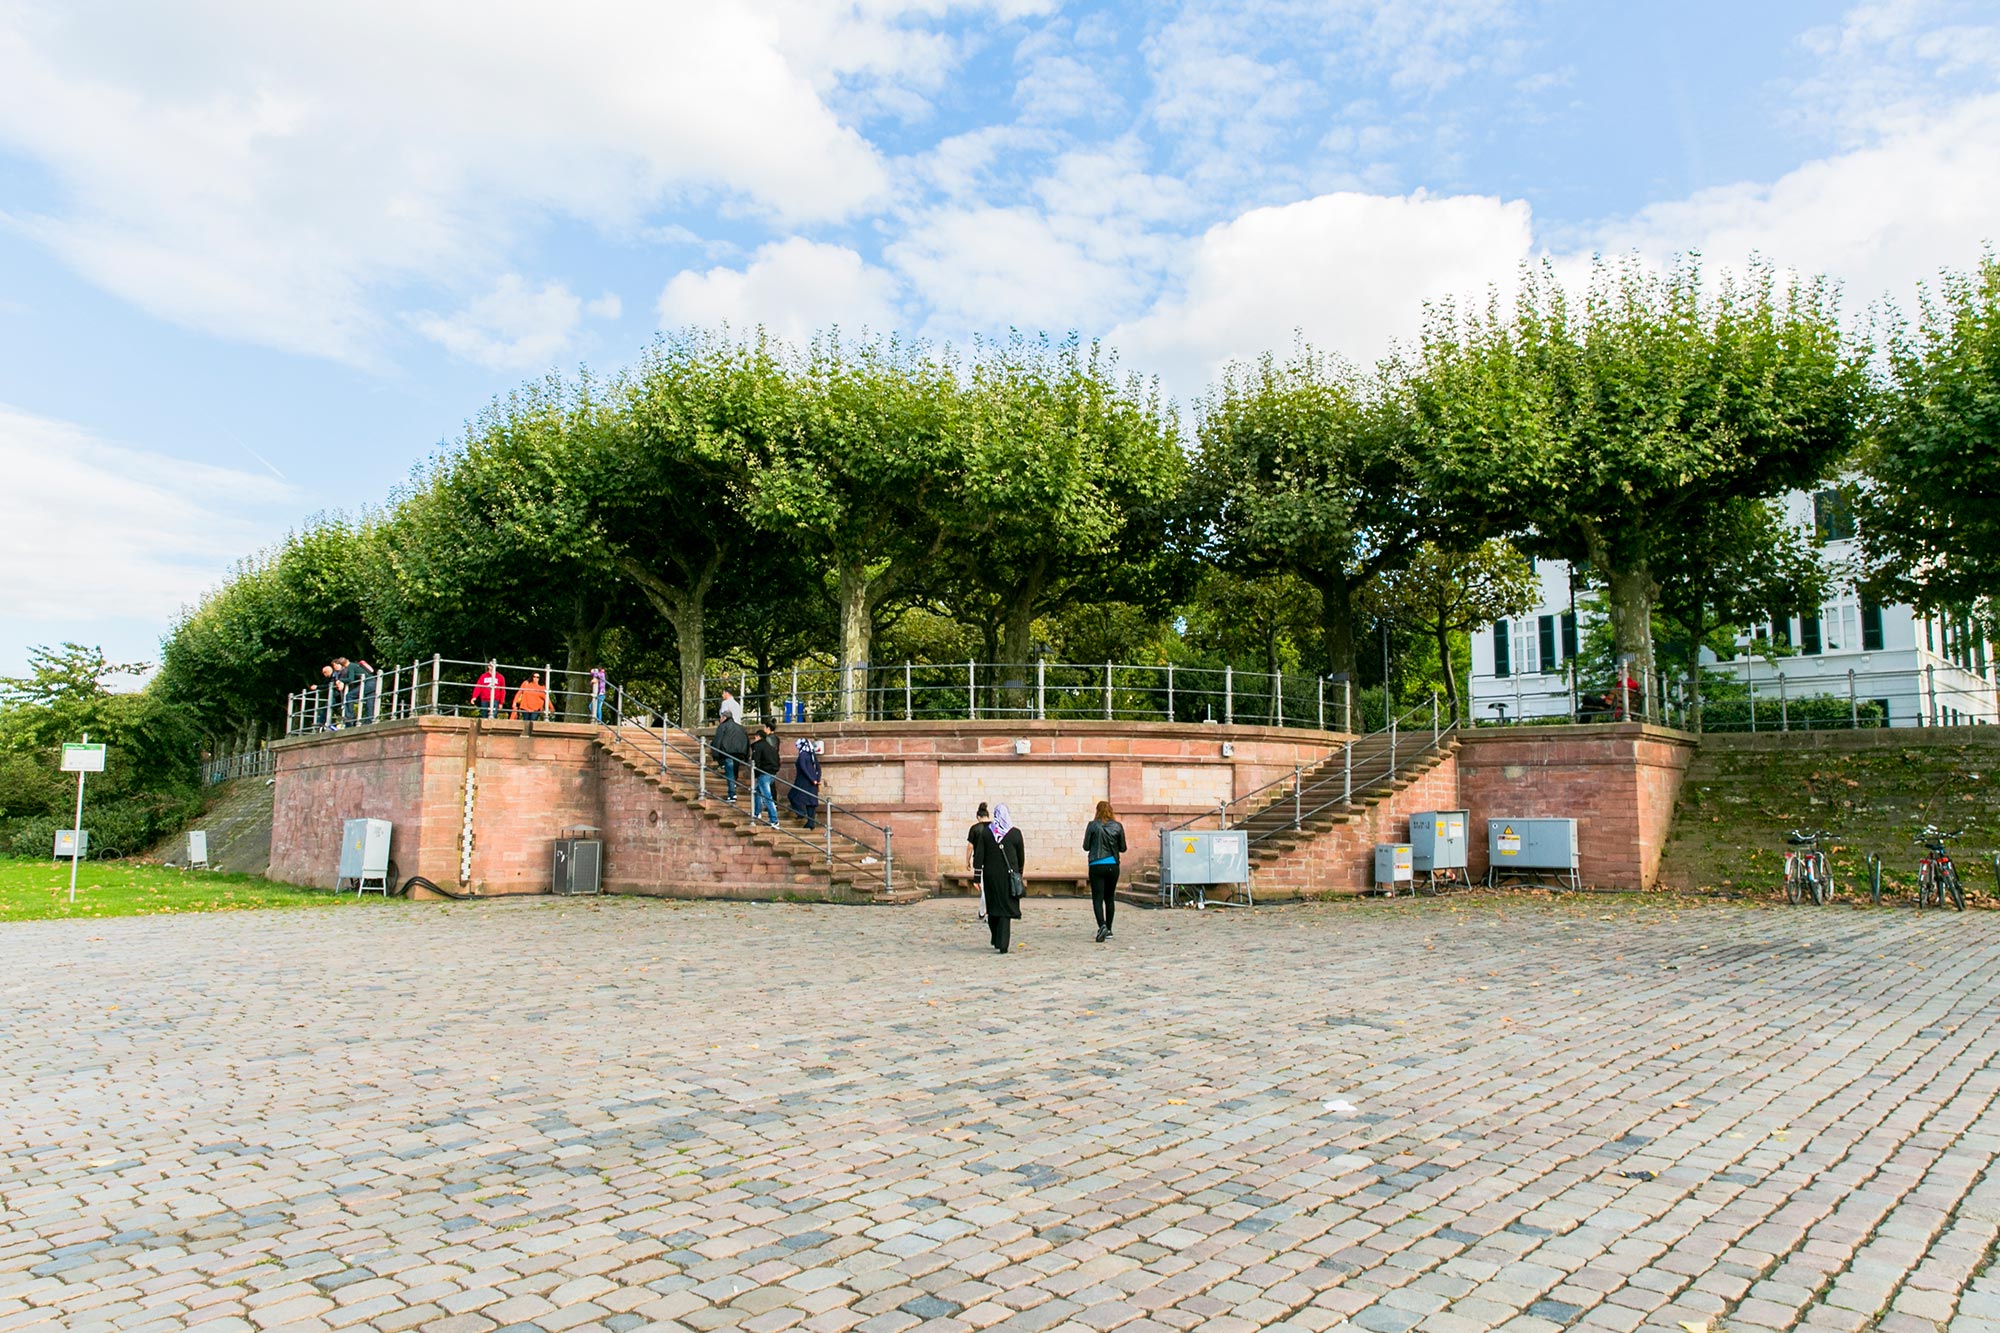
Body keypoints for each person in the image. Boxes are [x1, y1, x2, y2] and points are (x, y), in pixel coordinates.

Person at [967, 801, 1024, 954]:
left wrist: (977, 877)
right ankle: (1003, 943)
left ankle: (996, 938)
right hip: (1008, 876)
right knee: (1005, 909)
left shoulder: (987, 833)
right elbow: (1020, 858)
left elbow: (979, 856)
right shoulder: (1015, 833)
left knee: (993, 908)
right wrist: (1019, 875)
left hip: (991, 876)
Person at [1082, 800, 1128, 943]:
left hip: (1096, 864)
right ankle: (1109, 929)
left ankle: (1101, 925)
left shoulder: (1092, 825)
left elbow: (1086, 846)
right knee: (1109, 897)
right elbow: (1123, 848)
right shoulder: (1117, 826)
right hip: (1112, 864)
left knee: (1097, 897)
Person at [713, 709, 750, 803]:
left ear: (724, 717)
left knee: (730, 774)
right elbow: (746, 741)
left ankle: (732, 794)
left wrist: (716, 756)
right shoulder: (740, 727)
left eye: (721, 717)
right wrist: (746, 756)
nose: (720, 719)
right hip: (739, 754)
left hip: (727, 753)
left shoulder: (722, 727)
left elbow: (718, 740)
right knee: (734, 773)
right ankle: (733, 788)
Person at [749, 723, 782, 828]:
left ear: (757, 737)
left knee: (767, 796)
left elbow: (756, 761)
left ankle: (774, 819)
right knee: (756, 791)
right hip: (772, 773)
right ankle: (757, 812)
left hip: (764, 773)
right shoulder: (770, 746)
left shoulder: (758, 746)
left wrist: (757, 771)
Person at [788, 738, 822, 830]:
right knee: (811, 802)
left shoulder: (802, 754)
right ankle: (811, 822)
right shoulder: (811, 754)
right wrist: (816, 779)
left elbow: (803, 768)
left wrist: (812, 779)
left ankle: (801, 812)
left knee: (792, 796)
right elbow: (818, 768)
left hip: (803, 780)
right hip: (813, 782)